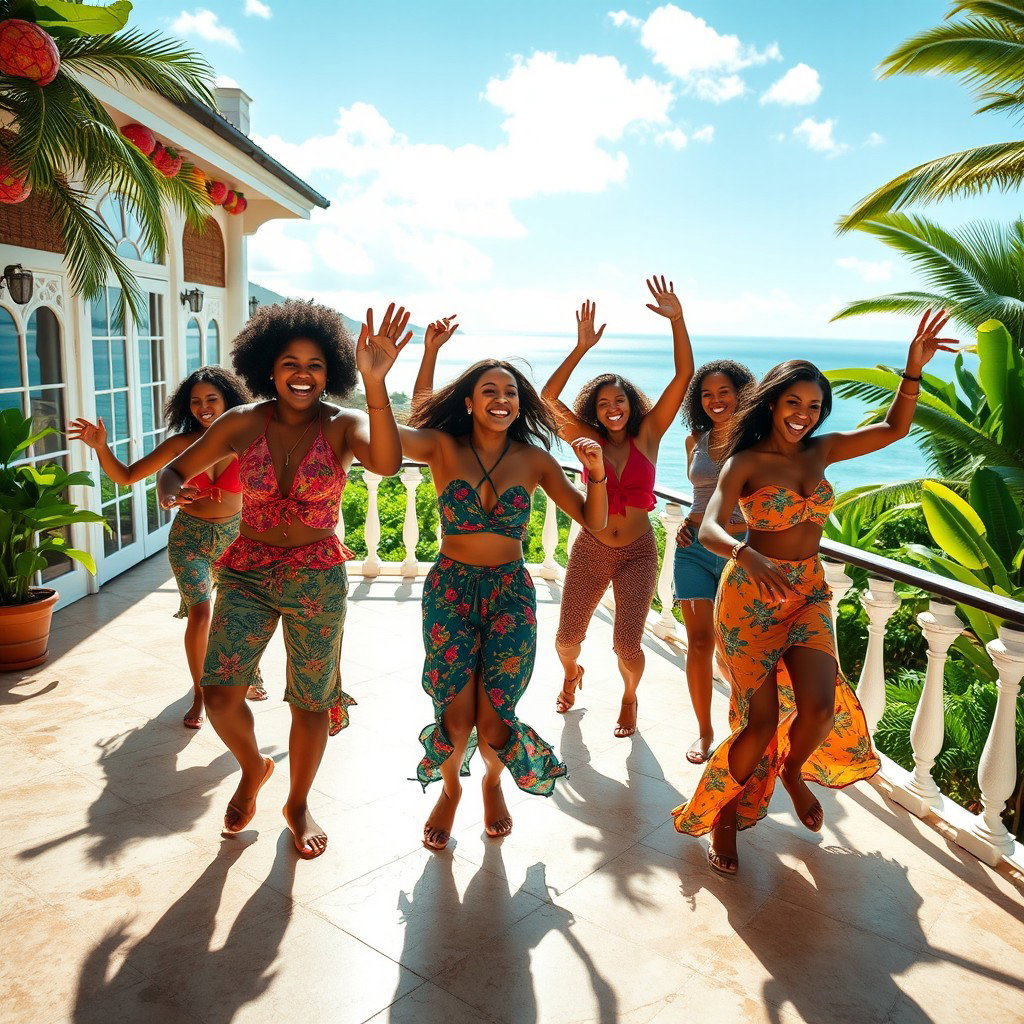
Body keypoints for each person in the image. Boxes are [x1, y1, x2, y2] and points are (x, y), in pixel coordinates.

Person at [672, 310, 959, 875]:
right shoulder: (745, 460)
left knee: (819, 707)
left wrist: (912, 372)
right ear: (773, 403)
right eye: (794, 403)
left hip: (808, 592)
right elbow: (709, 525)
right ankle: (724, 816)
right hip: (750, 598)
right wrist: (745, 551)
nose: (804, 415)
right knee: (756, 723)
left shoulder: (822, 451)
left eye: (815, 407)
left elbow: (894, 431)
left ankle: (794, 771)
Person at [157, 299, 408, 859]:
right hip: (247, 571)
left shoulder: (345, 425)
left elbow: (388, 464)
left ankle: (297, 804)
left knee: (310, 702)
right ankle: (254, 767)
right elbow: (176, 468)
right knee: (221, 695)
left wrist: (375, 383)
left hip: (316, 579)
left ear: (330, 372)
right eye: (290, 362)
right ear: (268, 366)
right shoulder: (242, 421)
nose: (302, 373)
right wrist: (171, 488)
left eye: (316, 364)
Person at [401, 315, 608, 850]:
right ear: (468, 401)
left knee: (496, 714)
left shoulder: (534, 459)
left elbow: (595, 520)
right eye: (487, 390)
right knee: (456, 712)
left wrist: (598, 473)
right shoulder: (444, 449)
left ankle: (494, 780)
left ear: (520, 403)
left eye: (510, 392)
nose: (501, 399)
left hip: (511, 594)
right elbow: (422, 413)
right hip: (450, 590)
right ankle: (451, 790)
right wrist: (429, 351)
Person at [68, 367, 267, 728]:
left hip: (237, 539)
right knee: (202, 613)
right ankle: (200, 692)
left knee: (235, 617)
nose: (203, 407)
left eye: (211, 399)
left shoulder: (251, 440)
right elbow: (127, 476)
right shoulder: (182, 445)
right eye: (195, 401)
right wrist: (101, 448)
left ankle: (247, 672)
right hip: (189, 539)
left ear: (229, 400)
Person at [541, 276, 694, 738]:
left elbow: (683, 376)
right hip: (591, 547)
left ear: (632, 405)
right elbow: (547, 399)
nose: (613, 408)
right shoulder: (582, 439)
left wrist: (678, 320)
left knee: (628, 644)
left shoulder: (648, 436)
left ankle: (629, 697)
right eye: (604, 402)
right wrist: (581, 347)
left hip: (638, 552)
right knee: (567, 640)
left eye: (620, 400)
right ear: (594, 407)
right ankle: (572, 674)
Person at [673, 360, 755, 764]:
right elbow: (698, 496)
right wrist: (684, 525)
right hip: (691, 549)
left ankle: (745, 728)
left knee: (735, 645)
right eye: (707, 394)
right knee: (700, 643)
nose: (716, 400)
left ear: (742, 394)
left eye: (724, 392)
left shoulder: (757, 441)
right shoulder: (695, 439)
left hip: (738, 550)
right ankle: (704, 733)